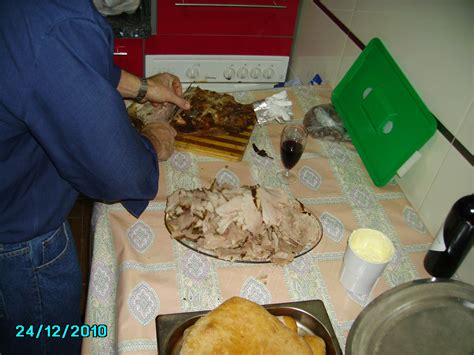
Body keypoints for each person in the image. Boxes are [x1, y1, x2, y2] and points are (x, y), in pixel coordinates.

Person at [0, 0, 189, 354]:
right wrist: (153, 138)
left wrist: (143, 88)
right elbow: (118, 172)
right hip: (21, 243)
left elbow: (50, 65)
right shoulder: (55, 24)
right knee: (48, 339)